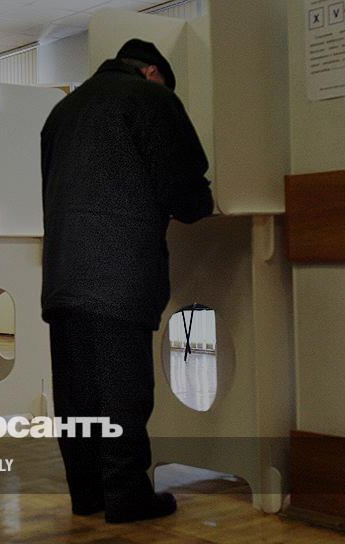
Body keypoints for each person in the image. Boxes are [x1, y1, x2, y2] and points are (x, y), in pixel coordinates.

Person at [40, 38, 214, 522]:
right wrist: (199, 204)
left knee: (76, 391)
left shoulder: (62, 110)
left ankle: (87, 494)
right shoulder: (151, 98)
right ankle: (126, 496)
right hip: (119, 270)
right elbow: (187, 190)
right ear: (153, 73)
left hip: (63, 270)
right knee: (122, 388)